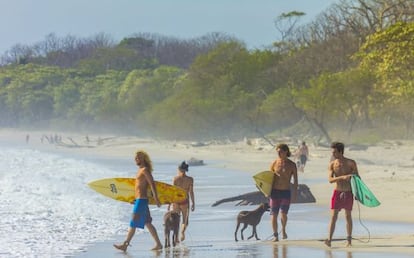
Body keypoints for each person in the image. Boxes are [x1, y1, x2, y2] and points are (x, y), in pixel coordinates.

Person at [114, 150, 163, 252]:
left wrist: (156, 198)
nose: (135, 159)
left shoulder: (145, 170)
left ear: (143, 158)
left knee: (133, 223)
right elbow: (138, 187)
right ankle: (158, 244)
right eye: (135, 158)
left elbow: (152, 183)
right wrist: (135, 199)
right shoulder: (140, 170)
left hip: (142, 201)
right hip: (139, 200)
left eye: (138, 158)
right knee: (148, 223)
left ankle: (125, 245)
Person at [325, 142, 359, 248]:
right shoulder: (332, 164)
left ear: (340, 151)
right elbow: (330, 180)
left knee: (348, 216)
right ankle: (329, 239)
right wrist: (342, 177)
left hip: (348, 192)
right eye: (332, 152)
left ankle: (349, 240)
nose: (333, 154)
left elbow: (358, 178)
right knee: (333, 216)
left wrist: (357, 193)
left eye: (334, 152)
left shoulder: (351, 163)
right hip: (337, 192)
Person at [269, 143, 298, 241]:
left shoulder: (292, 165)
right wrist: (266, 190)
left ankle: (283, 230)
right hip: (274, 192)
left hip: (286, 192)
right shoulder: (274, 163)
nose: (278, 153)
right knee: (273, 214)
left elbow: (295, 181)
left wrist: (294, 194)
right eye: (277, 152)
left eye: (280, 152)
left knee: (283, 214)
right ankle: (275, 235)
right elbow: (269, 178)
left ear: (286, 152)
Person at [168, 161, 195, 242]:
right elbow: (191, 192)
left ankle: (176, 238)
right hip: (185, 201)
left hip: (176, 201)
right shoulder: (190, 179)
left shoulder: (175, 179)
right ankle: (182, 233)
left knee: (176, 220)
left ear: (179, 169)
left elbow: (173, 192)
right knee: (185, 220)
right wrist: (193, 203)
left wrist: (169, 203)